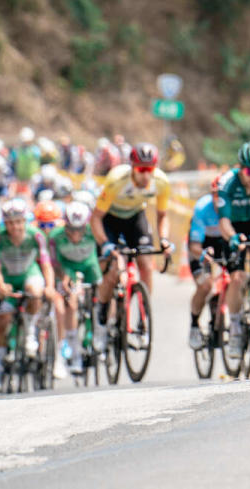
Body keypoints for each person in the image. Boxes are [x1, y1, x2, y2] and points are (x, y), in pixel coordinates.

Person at [89, 143, 172, 355]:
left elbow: (162, 216)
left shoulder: (161, 182)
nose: (146, 176)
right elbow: (96, 218)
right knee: (113, 270)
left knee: (145, 262)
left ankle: (143, 318)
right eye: (141, 170)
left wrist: (163, 239)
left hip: (135, 218)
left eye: (150, 170)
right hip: (109, 220)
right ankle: (101, 316)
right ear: (133, 167)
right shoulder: (117, 180)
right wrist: (105, 243)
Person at [0, 198, 57, 391]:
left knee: (35, 293)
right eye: (10, 223)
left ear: (25, 221)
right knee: (2, 322)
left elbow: (45, 264)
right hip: (8, 279)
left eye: (18, 222)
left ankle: (29, 334)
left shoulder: (36, 236)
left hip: (29, 274)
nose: (14, 227)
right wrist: (0, 284)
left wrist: (50, 286)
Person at [216, 141, 250, 359]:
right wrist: (233, 238)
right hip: (234, 227)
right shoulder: (227, 182)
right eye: (248, 170)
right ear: (240, 168)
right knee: (236, 278)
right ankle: (236, 329)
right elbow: (223, 222)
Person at [47, 202, 100, 375]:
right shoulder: (55, 236)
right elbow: (53, 262)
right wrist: (63, 277)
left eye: (80, 230)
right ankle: (73, 350)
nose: (75, 235)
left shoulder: (94, 232)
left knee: (104, 291)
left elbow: (108, 252)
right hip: (67, 269)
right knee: (71, 301)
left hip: (89, 267)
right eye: (71, 230)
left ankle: (102, 329)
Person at [185, 174, 229, 349]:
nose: (219, 199)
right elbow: (194, 245)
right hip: (202, 246)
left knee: (233, 279)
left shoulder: (233, 207)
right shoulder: (202, 208)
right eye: (216, 195)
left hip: (222, 242)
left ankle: (219, 311)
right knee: (205, 285)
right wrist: (203, 255)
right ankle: (194, 324)